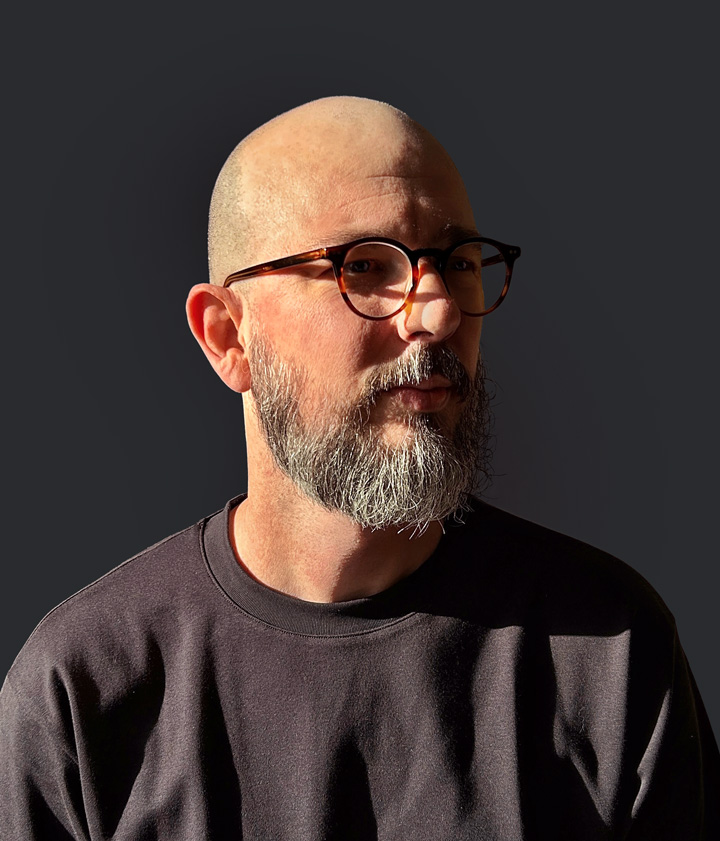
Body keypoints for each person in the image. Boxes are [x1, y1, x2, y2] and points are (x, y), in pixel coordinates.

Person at [1, 96, 717, 840]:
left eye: (458, 263)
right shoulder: (84, 693)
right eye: (367, 266)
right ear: (228, 337)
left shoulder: (607, 653)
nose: (438, 313)